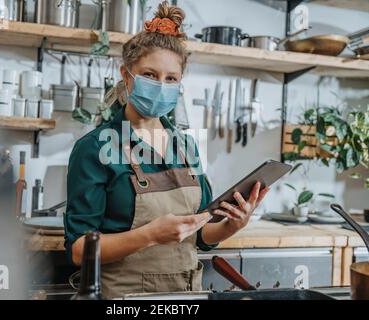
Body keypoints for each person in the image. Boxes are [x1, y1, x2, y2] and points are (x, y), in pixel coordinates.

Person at [64, 1, 269, 298]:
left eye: (171, 78)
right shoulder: (94, 148)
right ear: (126, 74)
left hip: (185, 297)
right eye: (149, 75)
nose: (161, 85)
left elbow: (199, 233)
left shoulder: (186, 146)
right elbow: (79, 250)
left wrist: (233, 224)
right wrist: (149, 235)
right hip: (125, 299)